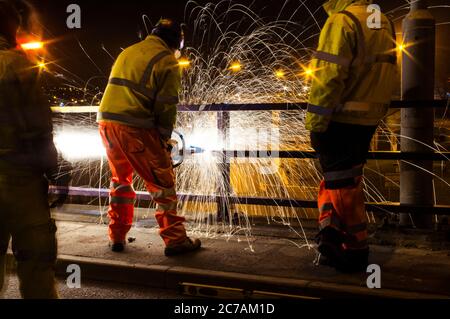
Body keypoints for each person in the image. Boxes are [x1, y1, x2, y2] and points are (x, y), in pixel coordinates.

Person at [306, 0, 397, 272]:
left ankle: (356, 248)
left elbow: (328, 77)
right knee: (342, 181)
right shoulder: (382, 21)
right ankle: (331, 236)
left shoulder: (342, 21)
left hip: (340, 119)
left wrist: (316, 122)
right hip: (367, 119)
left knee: (342, 187)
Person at [98, 18, 201, 256]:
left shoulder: (130, 51)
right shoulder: (166, 61)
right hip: (134, 127)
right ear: (176, 42)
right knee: (162, 183)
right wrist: (164, 140)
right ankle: (175, 240)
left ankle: (117, 236)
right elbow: (166, 106)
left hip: (106, 123)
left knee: (120, 181)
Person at [0, 0, 70, 298]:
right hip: (20, 179)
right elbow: (40, 128)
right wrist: (57, 170)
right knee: (36, 263)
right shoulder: (18, 66)